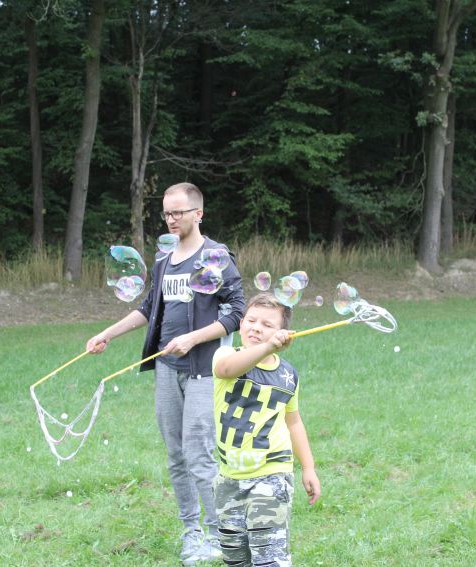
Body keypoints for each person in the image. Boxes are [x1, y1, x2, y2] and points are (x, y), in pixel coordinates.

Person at [86, 182, 246, 565]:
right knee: (176, 455)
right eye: (167, 213)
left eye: (179, 212)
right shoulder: (164, 260)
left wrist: (193, 338)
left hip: (203, 371)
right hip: (166, 370)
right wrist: (107, 334)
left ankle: (221, 536)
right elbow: (148, 308)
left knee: (199, 453)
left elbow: (237, 311)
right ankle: (192, 532)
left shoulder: (216, 257)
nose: (172, 219)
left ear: (198, 214)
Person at [212, 292, 321, 566]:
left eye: (267, 325)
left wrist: (308, 467)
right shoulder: (226, 355)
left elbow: (293, 421)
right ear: (240, 325)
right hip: (228, 478)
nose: (257, 328)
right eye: (251, 320)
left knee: (269, 557)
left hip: (272, 473)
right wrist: (266, 348)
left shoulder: (287, 375)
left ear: (283, 334)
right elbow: (226, 369)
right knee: (235, 557)